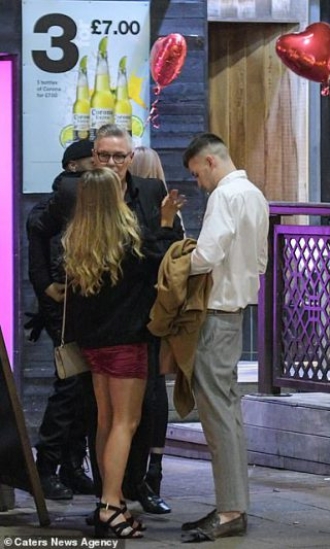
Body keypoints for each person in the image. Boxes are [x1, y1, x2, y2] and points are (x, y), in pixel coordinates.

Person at [27, 124, 184, 514]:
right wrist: (45, 283)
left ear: (131, 159)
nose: (112, 163)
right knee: (118, 420)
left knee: (113, 417)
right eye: (104, 156)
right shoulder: (82, 194)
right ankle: (110, 501)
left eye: (119, 156)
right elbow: (148, 258)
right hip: (117, 327)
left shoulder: (141, 192)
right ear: (91, 158)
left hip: (116, 325)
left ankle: (117, 491)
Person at [62, 167, 181, 538]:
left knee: (105, 421)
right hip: (127, 341)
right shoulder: (129, 240)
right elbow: (161, 262)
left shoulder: (76, 240)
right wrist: (165, 221)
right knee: (125, 424)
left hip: (93, 344)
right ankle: (111, 505)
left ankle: (106, 501)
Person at [179, 133, 268, 541]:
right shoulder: (255, 195)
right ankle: (232, 505)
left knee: (217, 414)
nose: (199, 183)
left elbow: (207, 255)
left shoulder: (225, 197)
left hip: (215, 313)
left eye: (198, 174)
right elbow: (261, 261)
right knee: (226, 410)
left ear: (210, 162)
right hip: (237, 311)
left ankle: (230, 511)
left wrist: (179, 261)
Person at [26, 139, 97, 500]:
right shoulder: (48, 211)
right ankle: (47, 467)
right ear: (72, 166)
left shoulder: (93, 204)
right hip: (64, 314)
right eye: (91, 159)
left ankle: (71, 464)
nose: (97, 165)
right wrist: (47, 288)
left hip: (86, 311)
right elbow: (39, 266)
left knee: (84, 389)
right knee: (70, 386)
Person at [121, 145, 174, 514]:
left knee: (130, 405)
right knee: (148, 398)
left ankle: (129, 481)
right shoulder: (158, 212)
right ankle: (145, 478)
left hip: (141, 317)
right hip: (152, 316)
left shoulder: (150, 207)